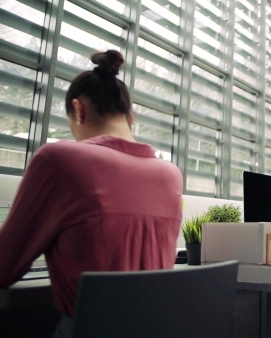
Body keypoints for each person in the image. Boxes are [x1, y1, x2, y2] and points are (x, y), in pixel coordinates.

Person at [0, 50, 183, 337]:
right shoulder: (171, 175)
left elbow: (4, 267)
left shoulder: (58, 159)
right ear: (130, 119)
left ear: (79, 110)